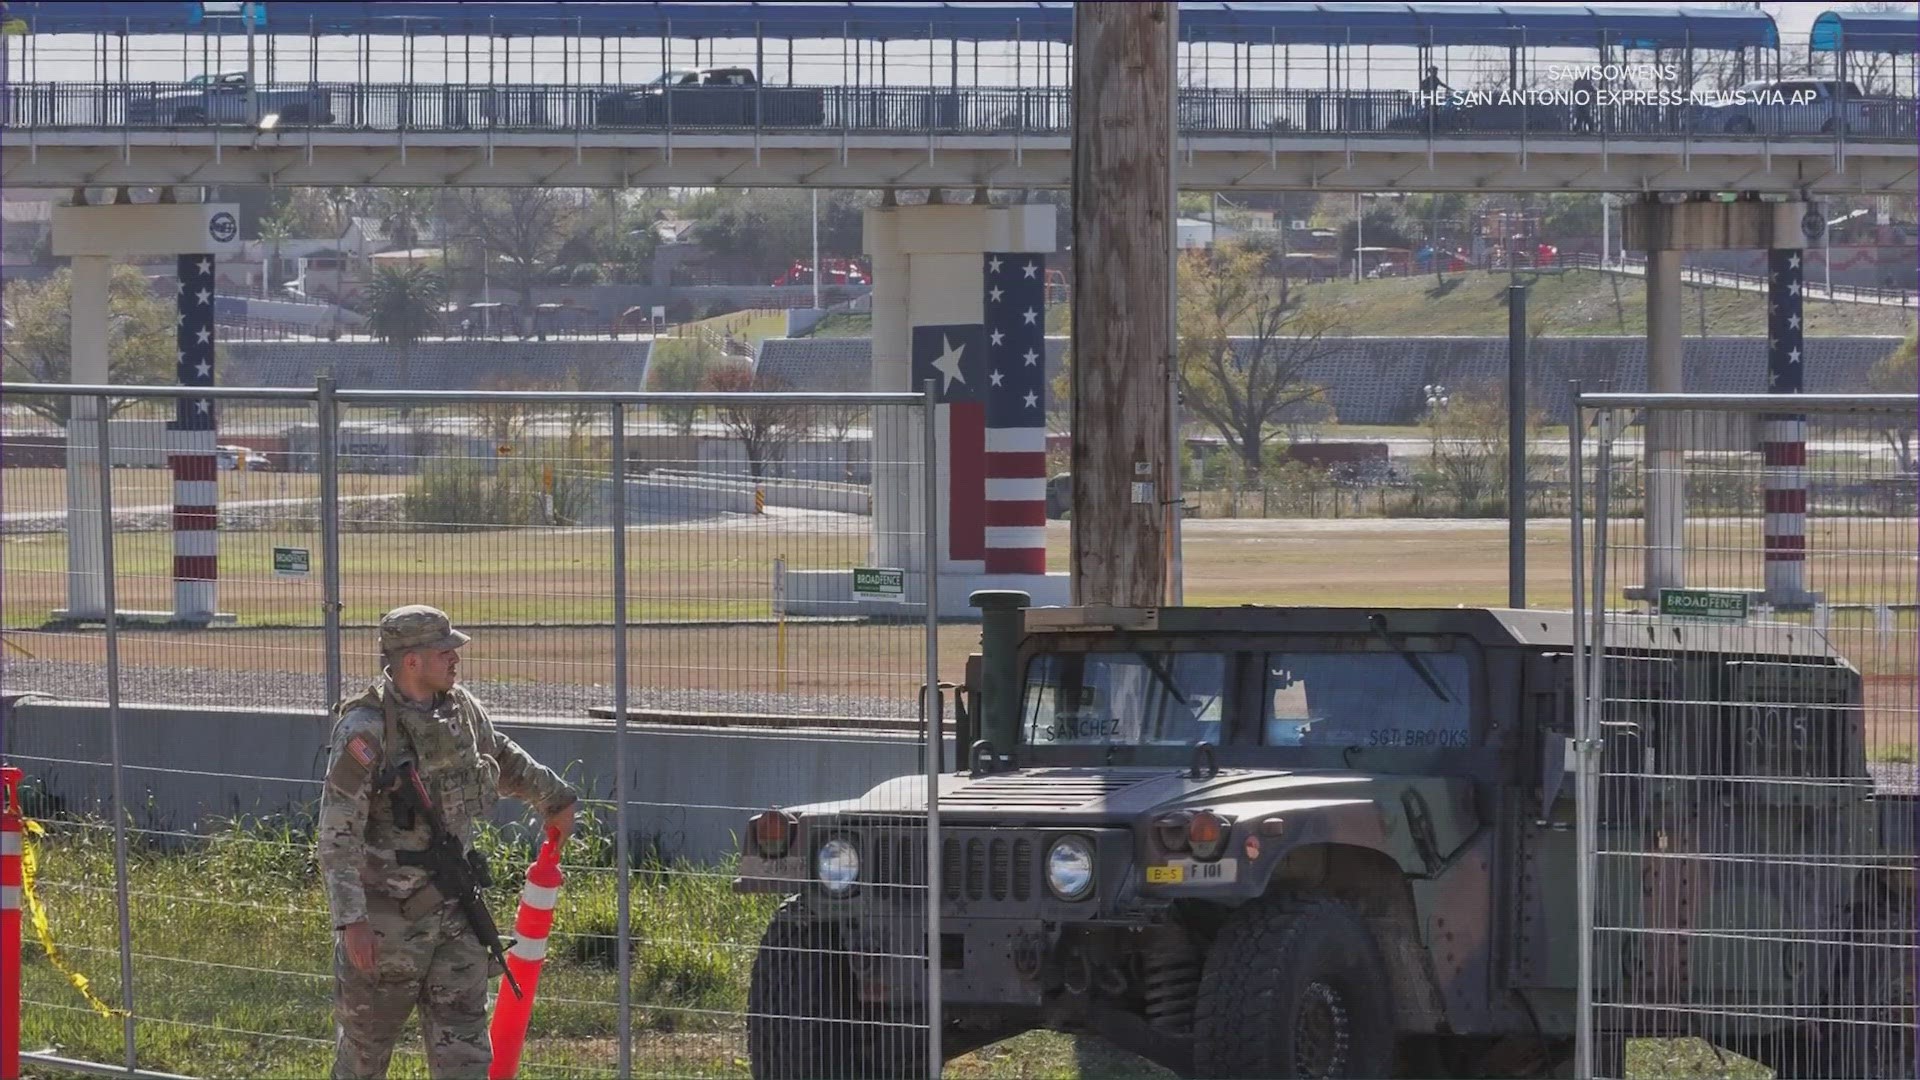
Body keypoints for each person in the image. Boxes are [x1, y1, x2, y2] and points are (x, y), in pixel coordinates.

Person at [318, 605, 578, 1079]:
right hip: (386, 930)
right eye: (444, 651)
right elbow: (337, 834)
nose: (455, 657)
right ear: (411, 660)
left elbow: (500, 755)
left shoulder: (461, 709)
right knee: (364, 1059)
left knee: (466, 1055)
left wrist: (555, 798)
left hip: (456, 916)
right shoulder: (365, 731)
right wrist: (350, 921)